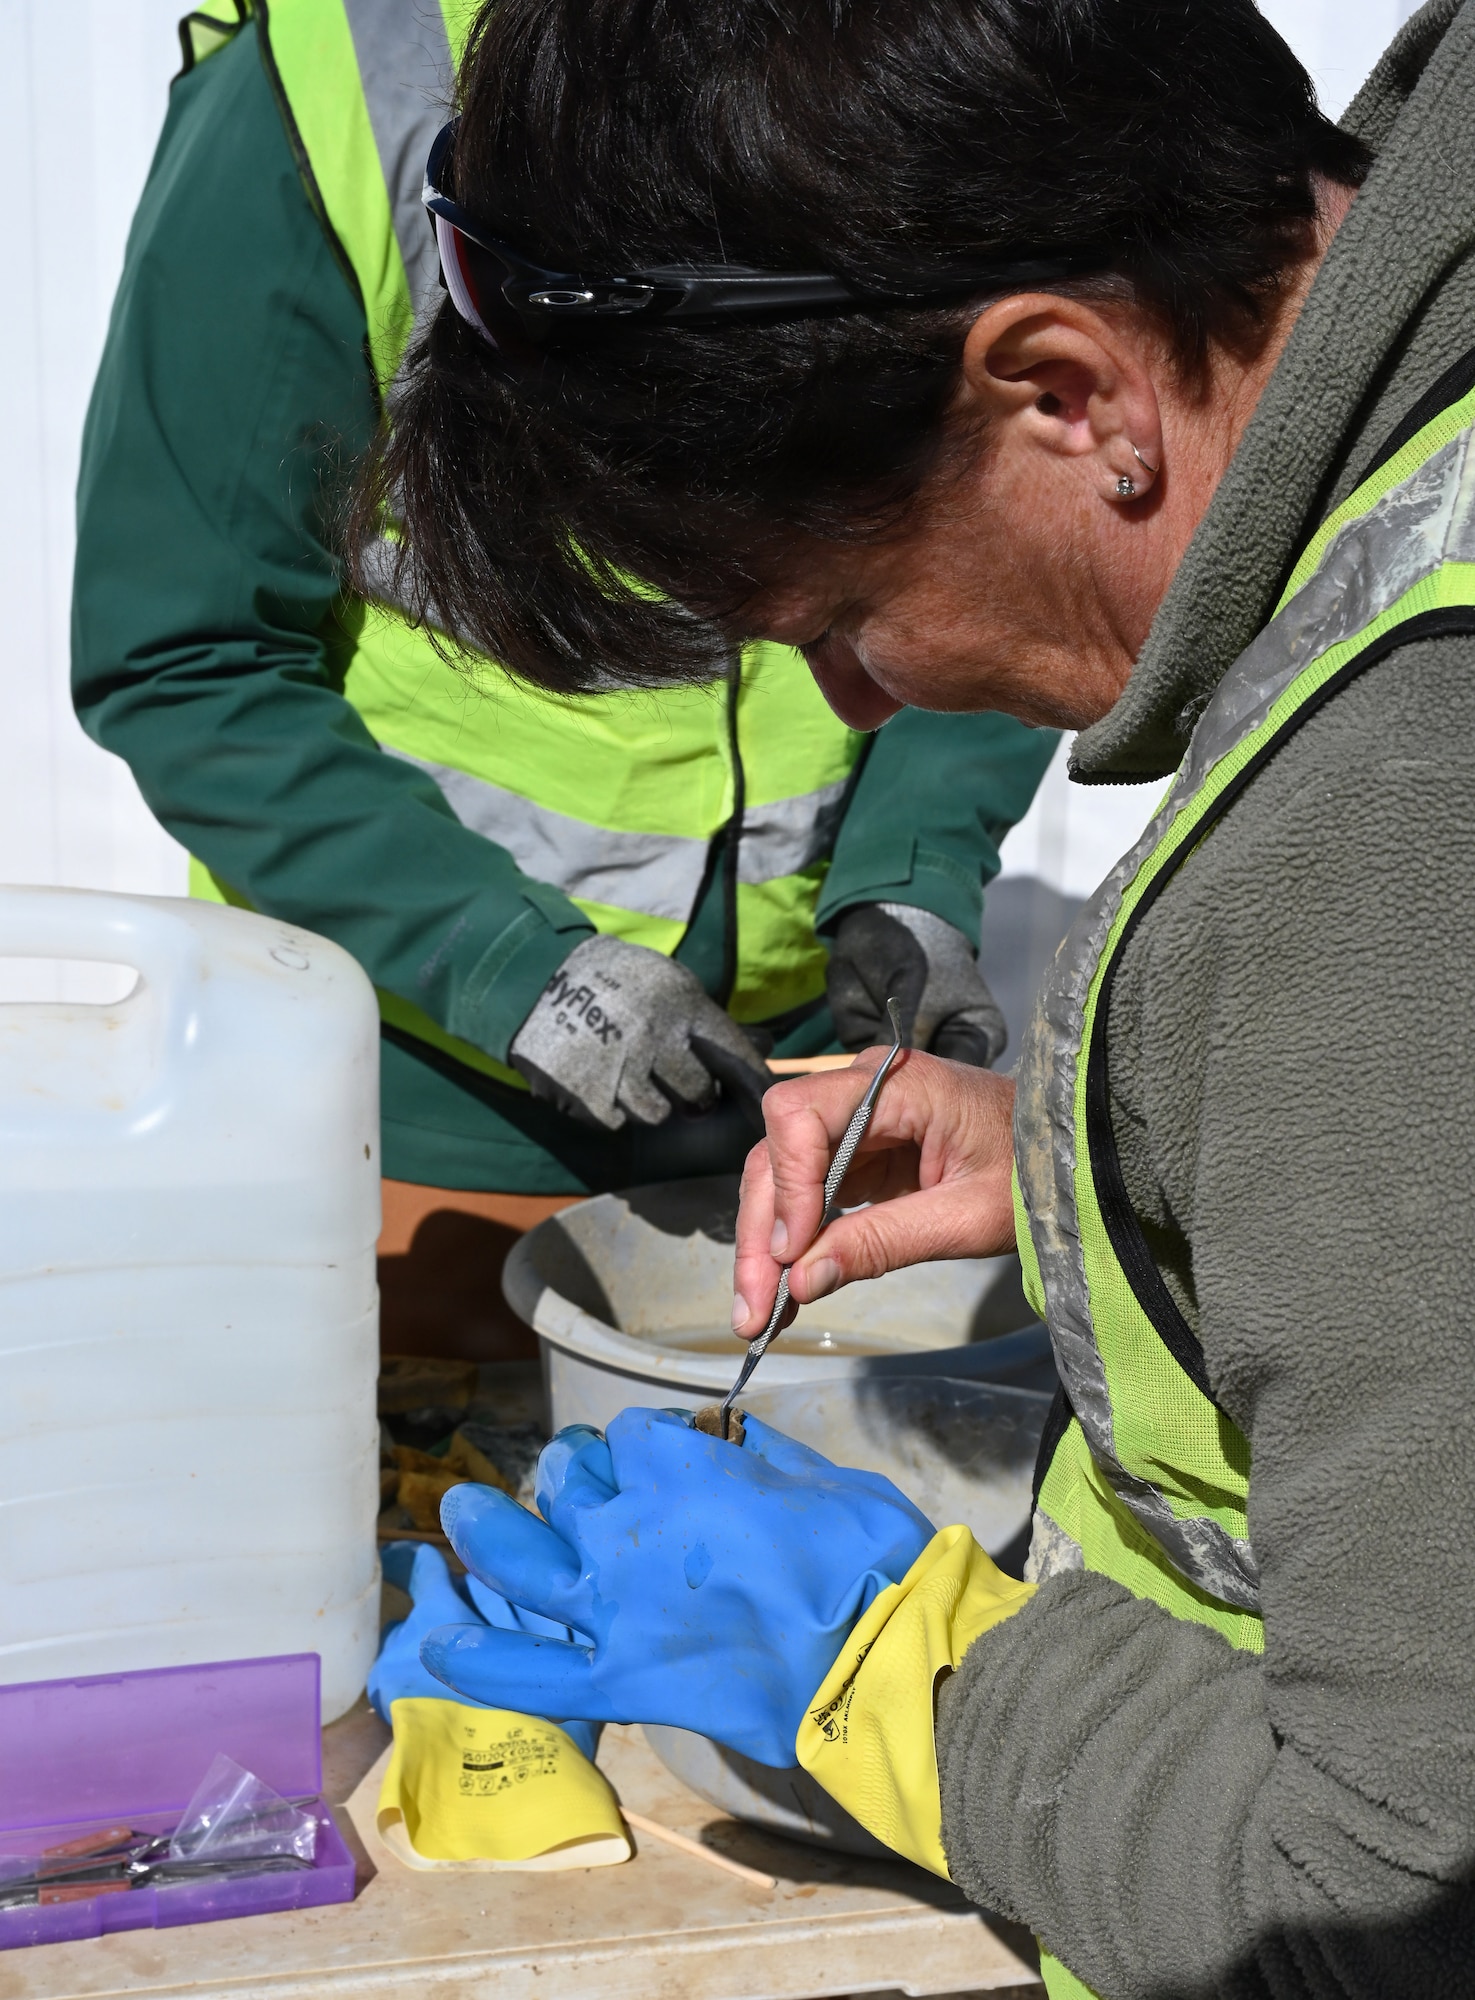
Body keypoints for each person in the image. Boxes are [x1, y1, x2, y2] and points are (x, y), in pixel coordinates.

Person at [366, 0, 1475, 1991]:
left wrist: (907, 1675)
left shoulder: (1391, 821)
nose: (858, 704)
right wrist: (1120, 1146)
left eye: (839, 617)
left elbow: (1398, 1901)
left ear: (1062, 390)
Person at [70, 0, 1057, 1210]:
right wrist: (508, 965)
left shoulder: (933, 47)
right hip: (405, 1113)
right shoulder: (332, 90)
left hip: (798, 1109)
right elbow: (187, 657)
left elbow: (1015, 524)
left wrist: (912, 864)